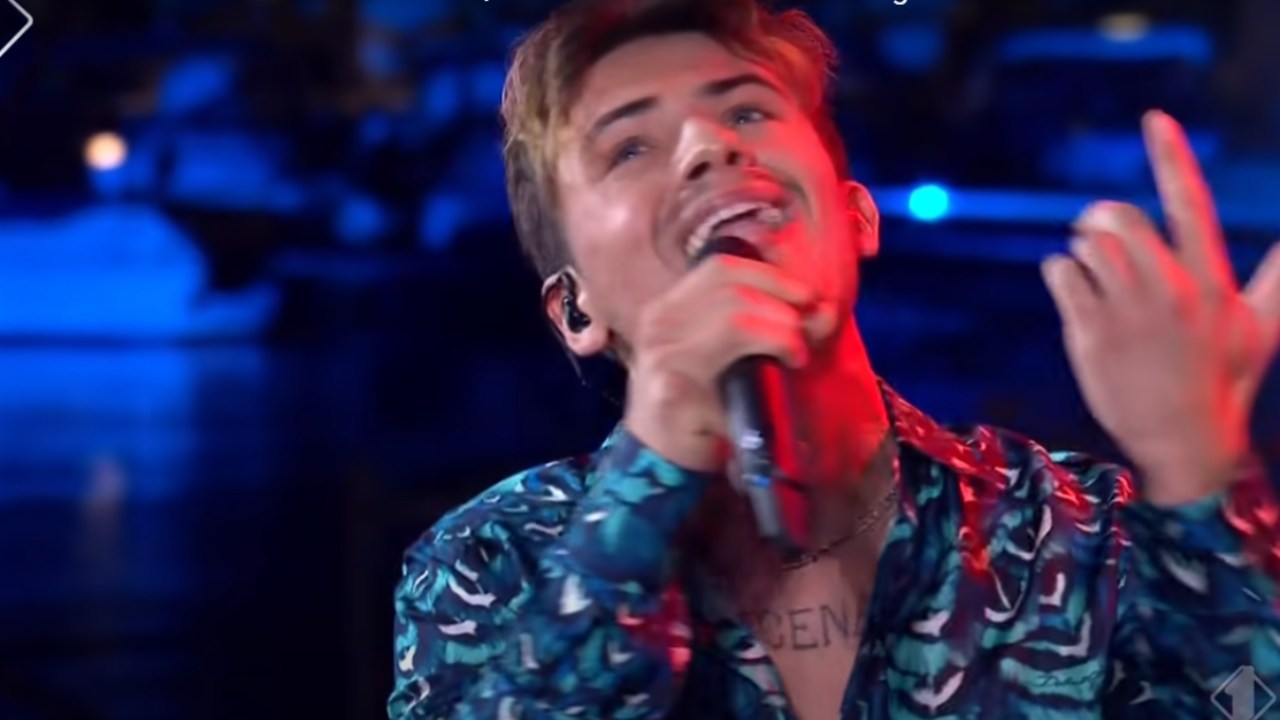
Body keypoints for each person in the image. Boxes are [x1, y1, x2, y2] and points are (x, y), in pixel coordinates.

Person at [389, 0, 1280, 717]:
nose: (707, 146)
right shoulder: (495, 561)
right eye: (631, 146)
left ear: (855, 218)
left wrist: (1198, 468)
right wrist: (655, 464)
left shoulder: (1078, 536)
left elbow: (1246, 702)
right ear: (576, 310)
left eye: (745, 110)